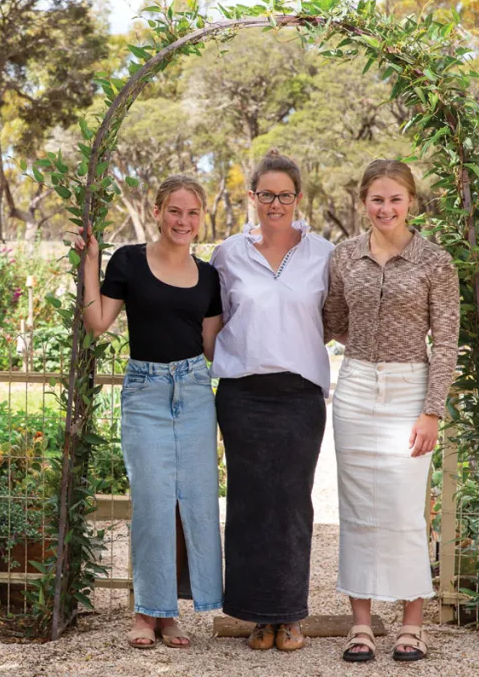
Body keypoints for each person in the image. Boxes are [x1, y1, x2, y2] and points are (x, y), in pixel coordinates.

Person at [75, 174, 223, 650]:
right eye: (175, 210)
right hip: (145, 391)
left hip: (195, 391)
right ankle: (146, 612)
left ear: (201, 219)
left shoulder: (210, 276)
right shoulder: (129, 262)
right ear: (158, 212)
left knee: (194, 503)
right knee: (153, 502)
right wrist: (91, 261)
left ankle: (171, 614)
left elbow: (213, 349)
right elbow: (97, 323)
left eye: (192, 212)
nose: (183, 220)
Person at [324, 159, 459, 663]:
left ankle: (411, 624)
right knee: (356, 510)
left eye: (395, 199)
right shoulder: (343, 257)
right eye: (377, 199)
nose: (386, 208)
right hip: (356, 387)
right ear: (364, 202)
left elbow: (445, 341)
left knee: (405, 510)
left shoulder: (434, 261)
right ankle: (360, 625)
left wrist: (431, 411)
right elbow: (334, 319)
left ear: (411, 203)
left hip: (411, 390)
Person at [209, 148, 334, 652]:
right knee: (247, 502)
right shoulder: (227, 254)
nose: (275, 203)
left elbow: (334, 317)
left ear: (298, 199)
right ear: (252, 196)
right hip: (242, 396)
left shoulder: (324, 254)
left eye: (285, 195)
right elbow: (212, 324)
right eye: (267, 195)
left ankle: (290, 616)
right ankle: (257, 618)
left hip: (300, 396)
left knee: (292, 503)